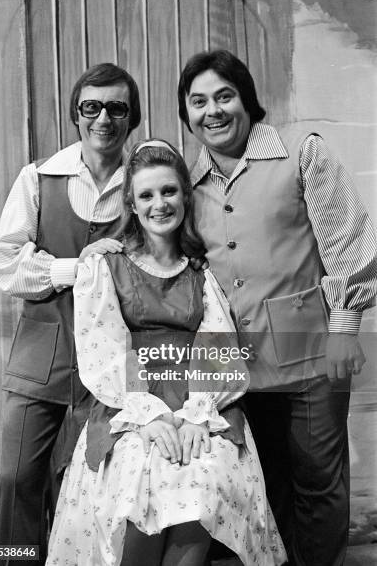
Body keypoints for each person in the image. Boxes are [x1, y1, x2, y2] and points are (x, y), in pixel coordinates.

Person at [177, 49, 377, 566]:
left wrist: (345, 329)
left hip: (312, 355)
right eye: (198, 102)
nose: (213, 111)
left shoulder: (301, 152)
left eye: (225, 96)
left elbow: (350, 243)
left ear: (248, 100)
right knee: (263, 488)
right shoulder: (187, 184)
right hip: (233, 368)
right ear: (187, 116)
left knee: (317, 482)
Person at [45, 139, 287, 566]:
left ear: (185, 196)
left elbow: (219, 345)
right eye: (147, 195)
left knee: (202, 477)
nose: (160, 203)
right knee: (139, 474)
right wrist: (151, 415)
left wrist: (197, 415)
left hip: (202, 400)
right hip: (130, 402)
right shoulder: (105, 267)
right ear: (132, 205)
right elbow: (104, 349)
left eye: (169, 191)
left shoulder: (201, 272)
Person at [0, 62, 141, 565]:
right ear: (75, 115)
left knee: (87, 493)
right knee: (15, 482)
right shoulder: (38, 178)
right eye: (91, 107)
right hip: (40, 361)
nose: (104, 118)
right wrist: (78, 269)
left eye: (116, 108)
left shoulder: (146, 181)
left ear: (132, 117)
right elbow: (6, 267)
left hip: (115, 369)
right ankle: (13, 561)